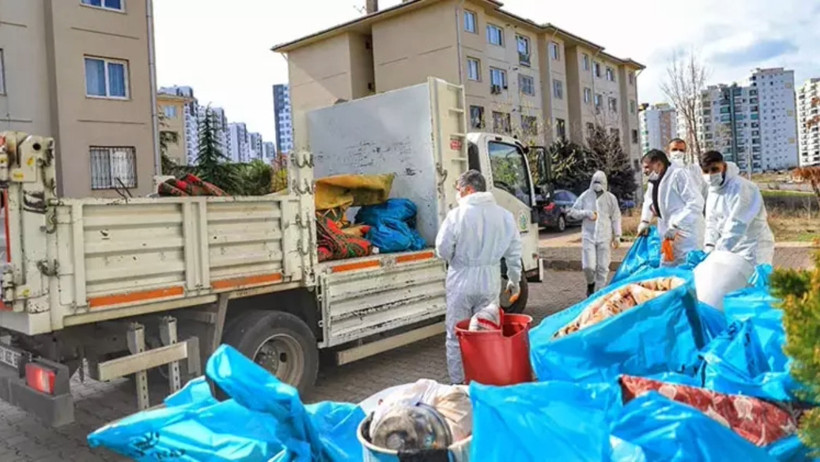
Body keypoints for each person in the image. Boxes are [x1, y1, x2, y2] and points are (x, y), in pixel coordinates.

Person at [435, 170, 522, 384]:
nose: (457, 194)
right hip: (490, 280)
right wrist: (514, 280)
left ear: (468, 190)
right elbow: (514, 253)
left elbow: (442, 249)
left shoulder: (456, 215)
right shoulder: (505, 216)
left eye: (459, 190)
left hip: (461, 279)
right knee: (487, 333)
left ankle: (458, 384)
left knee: (457, 334)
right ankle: (485, 380)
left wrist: (456, 259)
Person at [700, 151, 774, 266]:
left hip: (752, 247)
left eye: (715, 169)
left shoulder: (742, 187)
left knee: (752, 276)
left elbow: (738, 223)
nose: (710, 175)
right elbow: (711, 221)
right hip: (730, 248)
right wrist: (709, 246)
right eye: (706, 171)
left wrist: (718, 252)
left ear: (724, 166)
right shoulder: (713, 190)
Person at [637, 150, 705, 266]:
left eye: (647, 167)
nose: (645, 171)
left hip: (687, 234)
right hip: (669, 234)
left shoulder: (678, 175)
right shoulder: (654, 181)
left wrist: (677, 225)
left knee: (688, 267)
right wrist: (644, 221)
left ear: (658, 164)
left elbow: (695, 203)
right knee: (667, 268)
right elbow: (648, 201)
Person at [568, 171, 622, 296]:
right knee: (589, 267)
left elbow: (616, 217)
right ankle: (590, 283)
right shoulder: (585, 196)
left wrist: (617, 235)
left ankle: (598, 294)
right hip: (588, 235)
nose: (598, 185)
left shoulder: (610, 198)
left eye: (600, 182)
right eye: (595, 182)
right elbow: (573, 212)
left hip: (605, 235)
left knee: (603, 267)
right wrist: (587, 213)